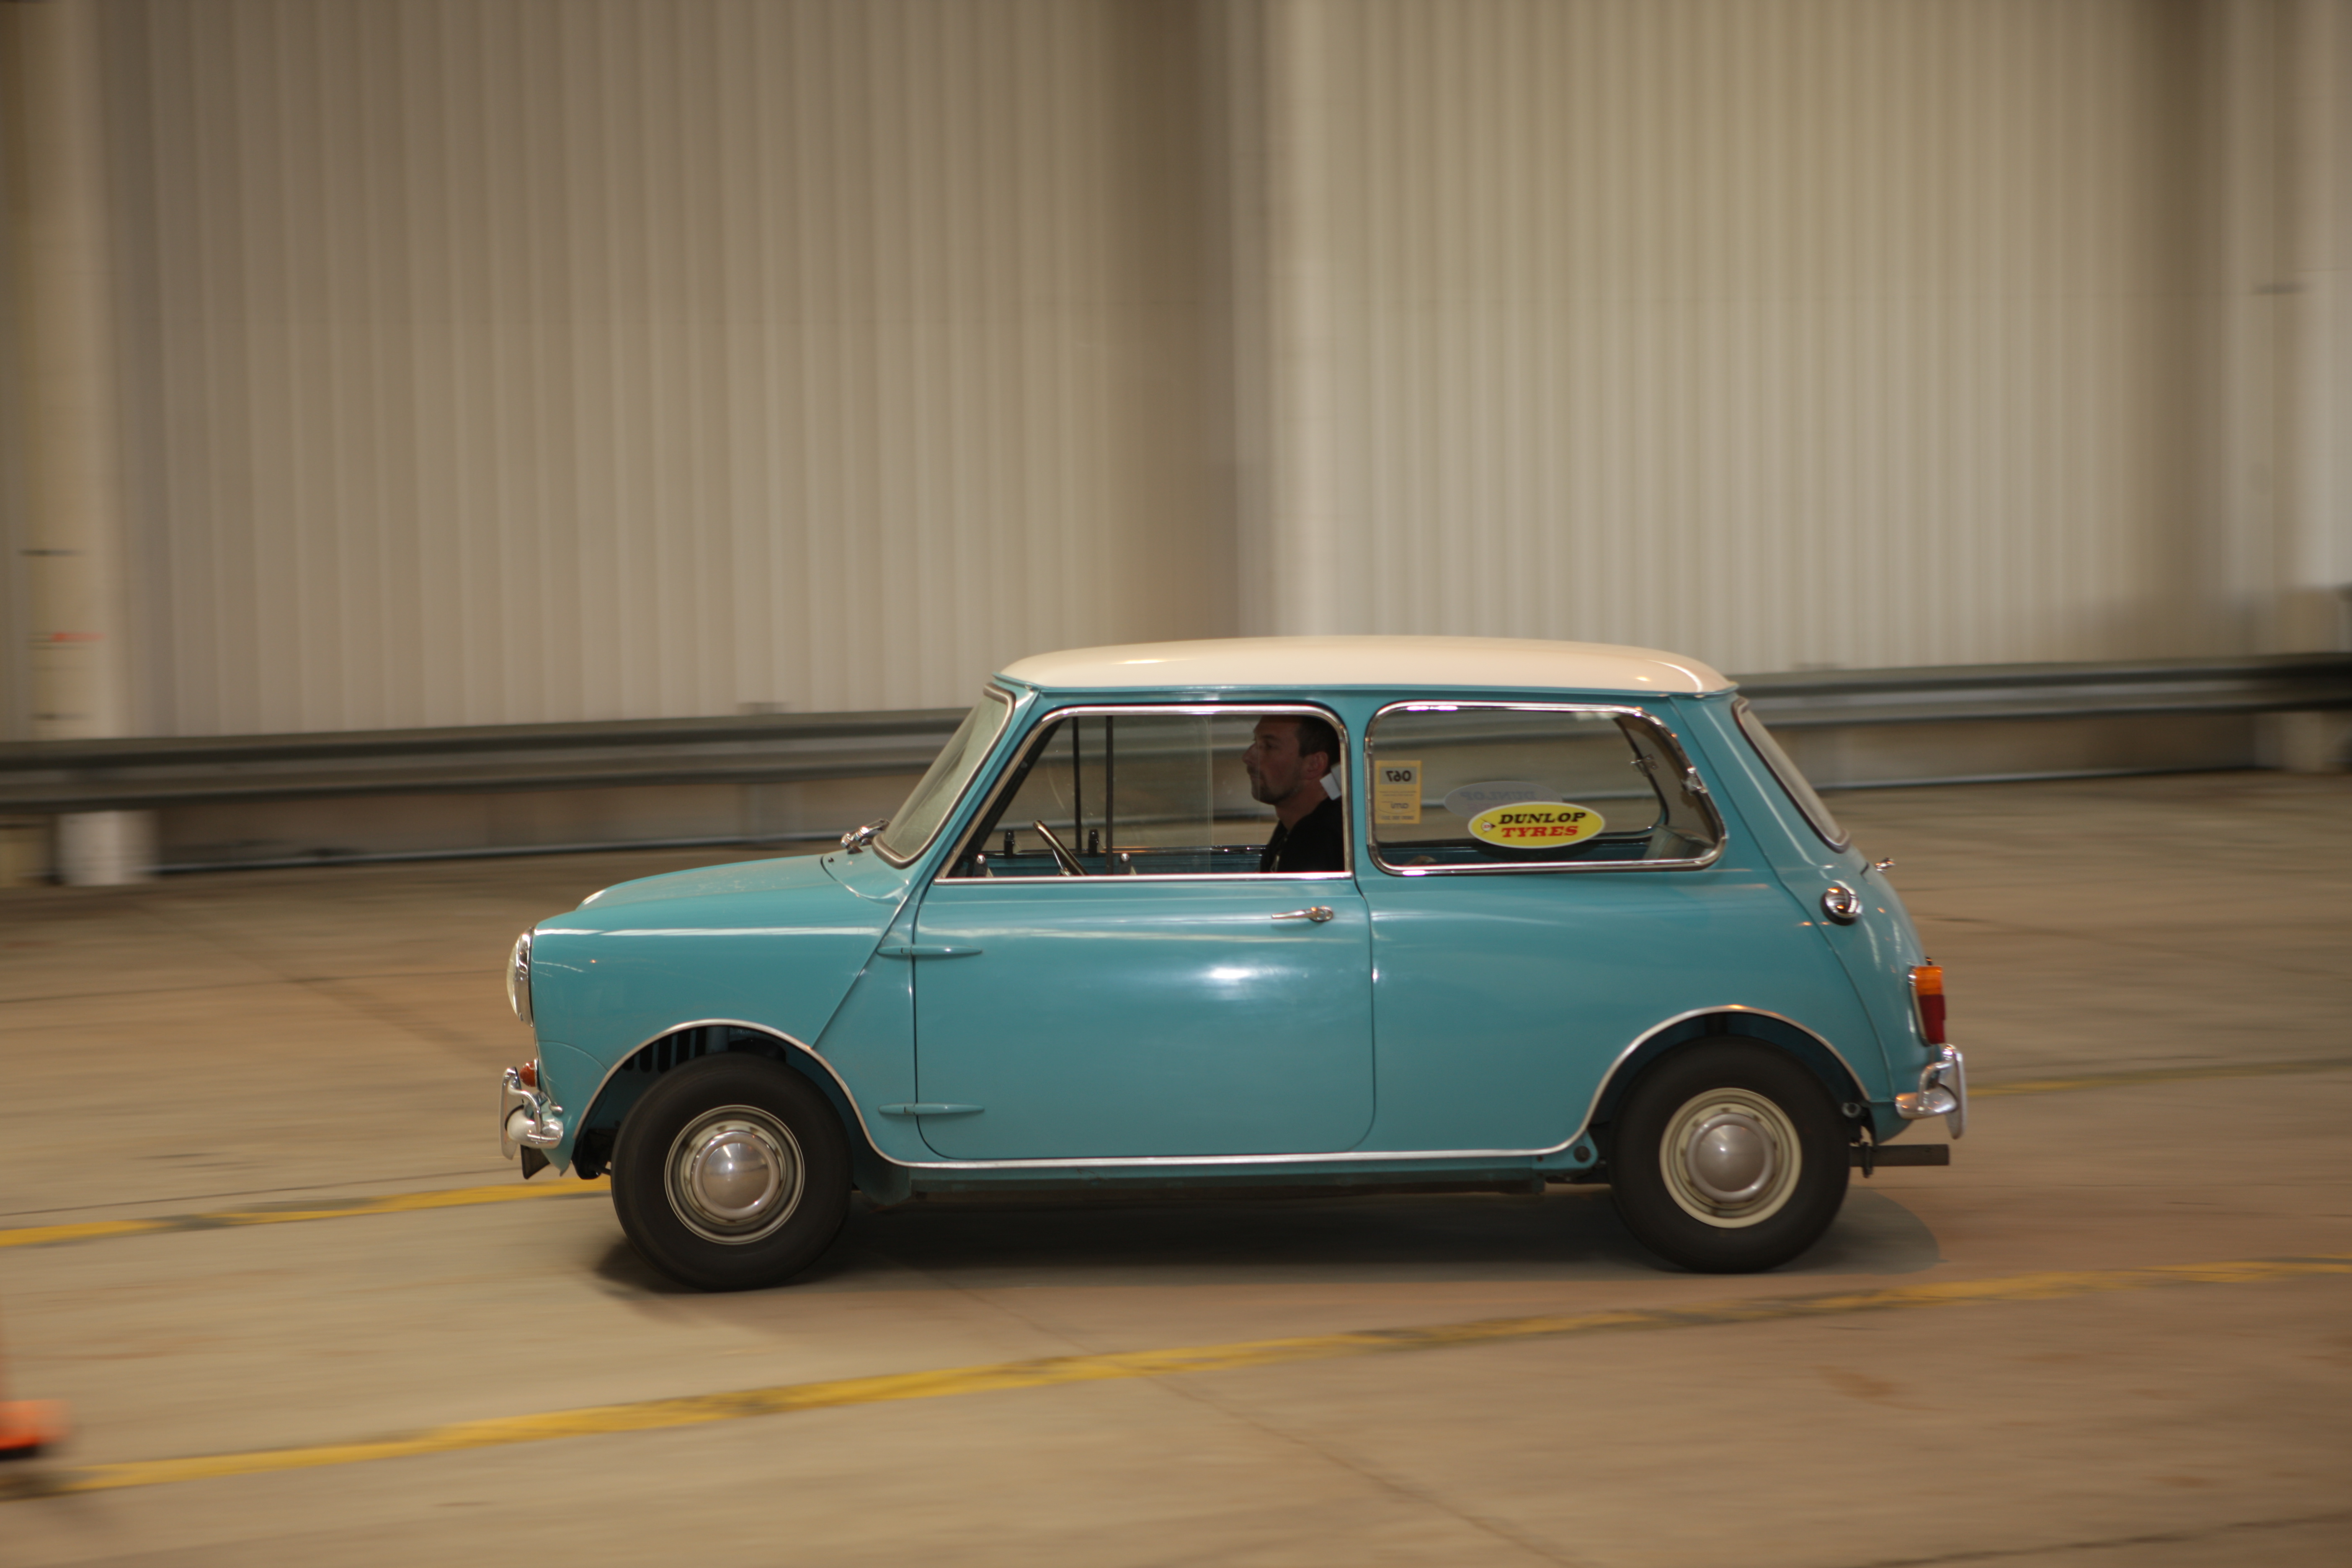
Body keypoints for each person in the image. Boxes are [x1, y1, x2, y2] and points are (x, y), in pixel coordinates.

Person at [1242, 715, 1345, 873]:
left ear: (1314, 764)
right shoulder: (1291, 829)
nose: (1247, 757)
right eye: (1255, 742)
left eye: (1269, 746)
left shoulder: (1319, 839)